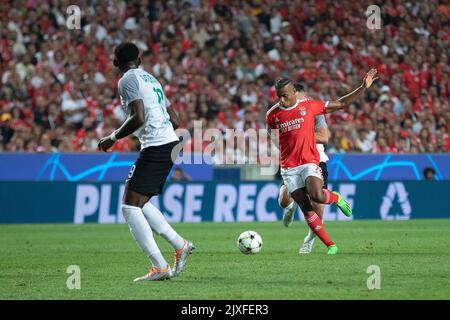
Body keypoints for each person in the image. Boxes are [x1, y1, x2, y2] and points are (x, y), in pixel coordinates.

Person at [98, 42, 194, 281]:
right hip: (168, 143)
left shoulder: (127, 81)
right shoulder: (151, 79)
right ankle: (180, 245)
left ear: (115, 63)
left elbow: (138, 117)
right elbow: (175, 117)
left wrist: (112, 138)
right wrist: (161, 132)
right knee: (138, 203)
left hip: (157, 146)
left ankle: (160, 266)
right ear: (139, 61)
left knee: (129, 207)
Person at [266, 69, 378, 254]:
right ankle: (330, 245)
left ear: (294, 92)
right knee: (305, 207)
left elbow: (341, 103)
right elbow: (272, 135)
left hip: (310, 160)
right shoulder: (272, 114)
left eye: (284, 96)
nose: (281, 100)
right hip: (289, 167)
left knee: (317, 197)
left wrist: (361, 88)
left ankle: (336, 198)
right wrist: (285, 147)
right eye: (278, 97)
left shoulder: (309, 106)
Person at [278, 83, 330, 254]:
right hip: (293, 161)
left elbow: (324, 137)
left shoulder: (314, 111)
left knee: (318, 203)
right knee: (284, 200)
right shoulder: (284, 113)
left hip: (316, 160)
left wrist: (302, 132)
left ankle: (309, 239)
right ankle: (290, 207)